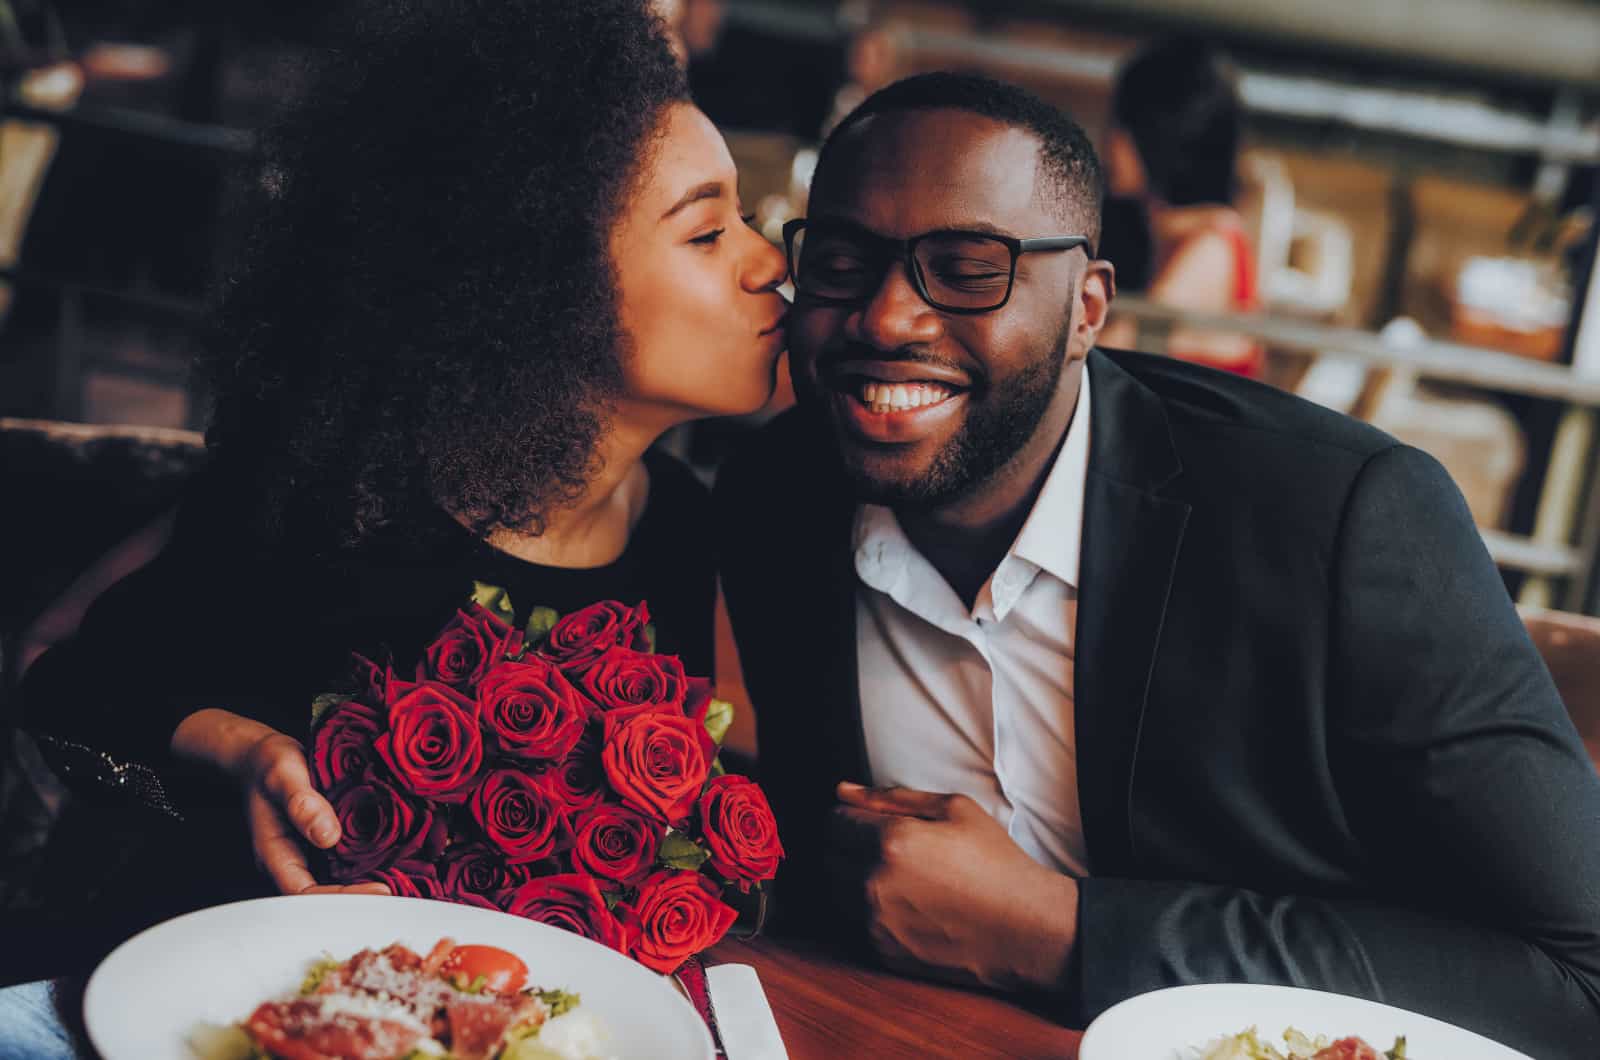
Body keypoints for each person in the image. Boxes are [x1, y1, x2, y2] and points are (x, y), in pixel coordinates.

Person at [713, 72, 1600, 1057]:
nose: (885, 318)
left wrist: (1057, 932)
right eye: (841, 259)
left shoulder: (1344, 520)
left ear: (1087, 308)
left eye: (967, 269)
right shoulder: (774, 498)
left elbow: (1580, 975)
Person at [14, 0, 786, 975]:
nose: (771, 264)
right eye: (709, 234)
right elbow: (63, 687)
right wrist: (231, 749)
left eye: (748, 218)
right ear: (544, 285)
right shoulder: (343, 494)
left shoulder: (683, 529)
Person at [1098, 37, 1264, 377]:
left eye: (1123, 124)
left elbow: (1108, 347)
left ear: (1159, 136)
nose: (1110, 139)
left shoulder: (1209, 247)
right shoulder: (1163, 230)